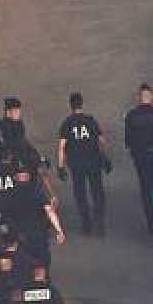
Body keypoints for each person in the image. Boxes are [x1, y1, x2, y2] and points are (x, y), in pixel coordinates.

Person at [56, 93, 109, 235]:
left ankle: (86, 224)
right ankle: (99, 222)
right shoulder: (90, 121)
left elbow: (61, 146)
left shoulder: (67, 123)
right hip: (93, 161)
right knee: (97, 191)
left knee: (80, 193)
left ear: (70, 105)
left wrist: (60, 166)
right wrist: (105, 157)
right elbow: (102, 141)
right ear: (82, 104)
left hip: (76, 163)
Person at [123, 84, 153, 233]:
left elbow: (128, 139)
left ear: (139, 97)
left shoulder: (131, 115)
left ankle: (151, 222)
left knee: (146, 190)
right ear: (151, 97)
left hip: (141, 157)